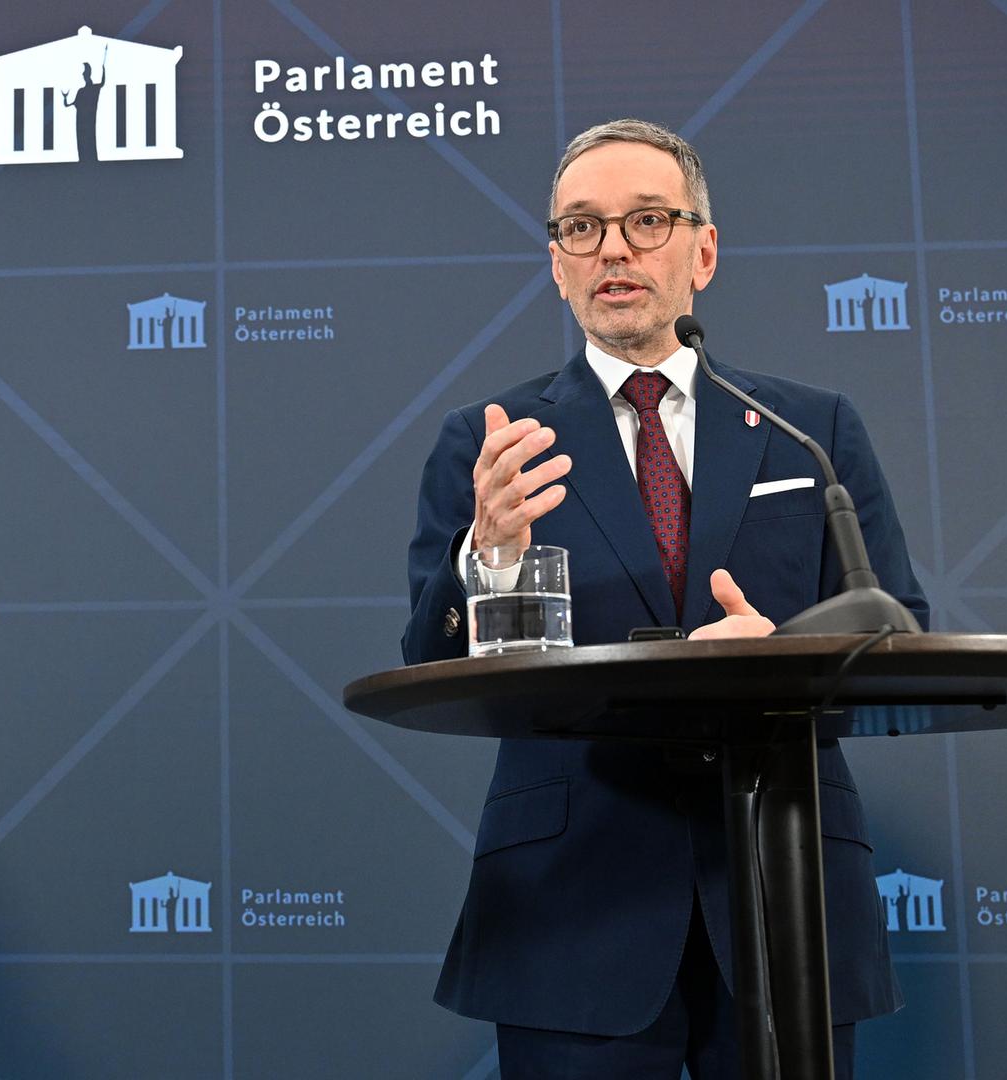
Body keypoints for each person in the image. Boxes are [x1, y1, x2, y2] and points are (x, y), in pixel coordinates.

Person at [403, 119, 926, 1078]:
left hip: (781, 887)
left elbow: (901, 637)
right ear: (556, 266)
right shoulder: (493, 442)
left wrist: (787, 656)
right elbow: (432, 665)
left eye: (647, 221)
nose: (613, 249)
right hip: (573, 902)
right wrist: (490, 553)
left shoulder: (809, 431)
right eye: (581, 228)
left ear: (704, 250)